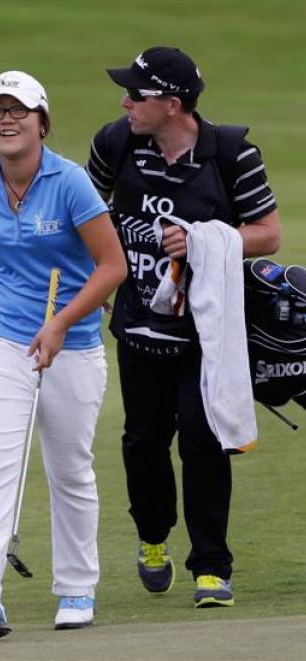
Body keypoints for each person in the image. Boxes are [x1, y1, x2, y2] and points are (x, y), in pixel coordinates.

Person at [0, 70, 126, 641]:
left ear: (42, 122)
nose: (6, 120)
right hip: (4, 342)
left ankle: (76, 586)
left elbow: (111, 267)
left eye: (19, 110)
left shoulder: (71, 185)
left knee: (69, 470)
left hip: (74, 346)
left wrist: (63, 322)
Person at [86, 46, 281, 607]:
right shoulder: (114, 142)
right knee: (143, 443)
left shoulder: (231, 154)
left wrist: (203, 237)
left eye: (137, 94)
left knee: (203, 441)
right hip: (140, 323)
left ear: (172, 105)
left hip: (207, 332)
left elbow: (267, 233)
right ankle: (152, 538)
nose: (125, 101)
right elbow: (85, 212)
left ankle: (212, 567)